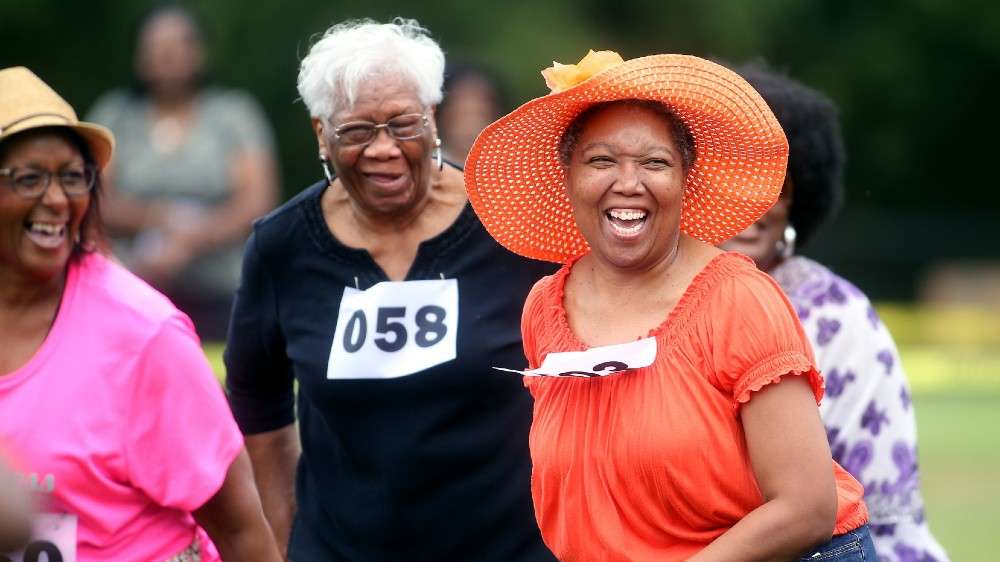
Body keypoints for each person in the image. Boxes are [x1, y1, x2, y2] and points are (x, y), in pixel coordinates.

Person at [465, 50, 876, 561]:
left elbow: (806, 508)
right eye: (601, 160)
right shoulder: (545, 306)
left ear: (686, 179)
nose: (628, 183)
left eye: (654, 163)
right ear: (567, 176)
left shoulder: (738, 300)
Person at [224, 19, 556, 561]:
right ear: (321, 135)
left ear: (433, 119)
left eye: (404, 124)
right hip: (340, 548)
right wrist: (285, 540)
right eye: (357, 131)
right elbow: (256, 401)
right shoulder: (282, 246)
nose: (384, 149)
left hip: (506, 546)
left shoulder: (511, 227)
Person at [0, 67, 282, 561]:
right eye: (28, 178)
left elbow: (242, 531)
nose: (56, 199)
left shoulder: (143, 334)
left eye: (72, 176)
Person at [720, 62, 950, 562]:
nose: (756, 203)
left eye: (778, 183)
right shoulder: (645, 300)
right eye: (735, 176)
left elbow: (887, 514)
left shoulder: (838, 317)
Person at [87, 3, 279, 340]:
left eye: (176, 47)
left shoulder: (233, 115)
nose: (166, 57)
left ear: (199, 52)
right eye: (156, 49)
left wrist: (192, 239)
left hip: (223, 287)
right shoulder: (115, 115)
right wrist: (158, 219)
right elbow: (92, 198)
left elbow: (257, 202)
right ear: (139, 55)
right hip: (130, 279)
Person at [437, 60, 506, 164]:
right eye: (461, 114)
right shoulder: (425, 171)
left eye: (480, 114)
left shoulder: (511, 170)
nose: (470, 126)